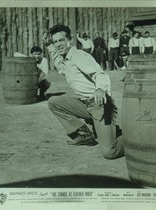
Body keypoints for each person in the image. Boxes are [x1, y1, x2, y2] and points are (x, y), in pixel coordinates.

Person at [45, 25, 124, 160]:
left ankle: (135, 138)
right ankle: (85, 136)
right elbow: (59, 63)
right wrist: (49, 46)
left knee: (110, 152)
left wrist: (100, 89)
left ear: (70, 40)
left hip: (101, 105)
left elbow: (100, 74)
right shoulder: (66, 59)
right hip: (86, 104)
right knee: (54, 102)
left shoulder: (79, 56)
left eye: (61, 40)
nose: (58, 45)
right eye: (55, 42)